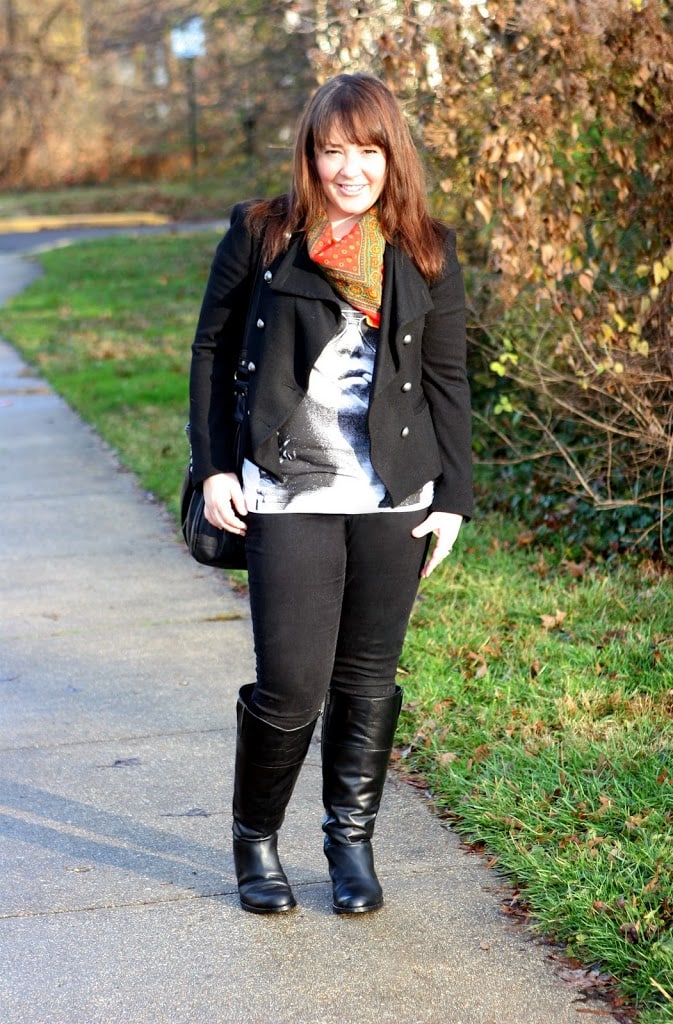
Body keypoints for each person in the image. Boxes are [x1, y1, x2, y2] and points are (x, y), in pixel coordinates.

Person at [188, 72, 473, 916]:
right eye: (332, 150)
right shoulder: (264, 234)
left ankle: (349, 843)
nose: (350, 169)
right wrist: (214, 468)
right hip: (287, 487)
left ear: (392, 155)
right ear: (309, 155)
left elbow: (447, 380)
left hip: (394, 494)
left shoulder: (424, 247)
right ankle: (255, 840)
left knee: (369, 680)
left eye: (368, 151)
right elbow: (211, 352)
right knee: (291, 685)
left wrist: (452, 498)